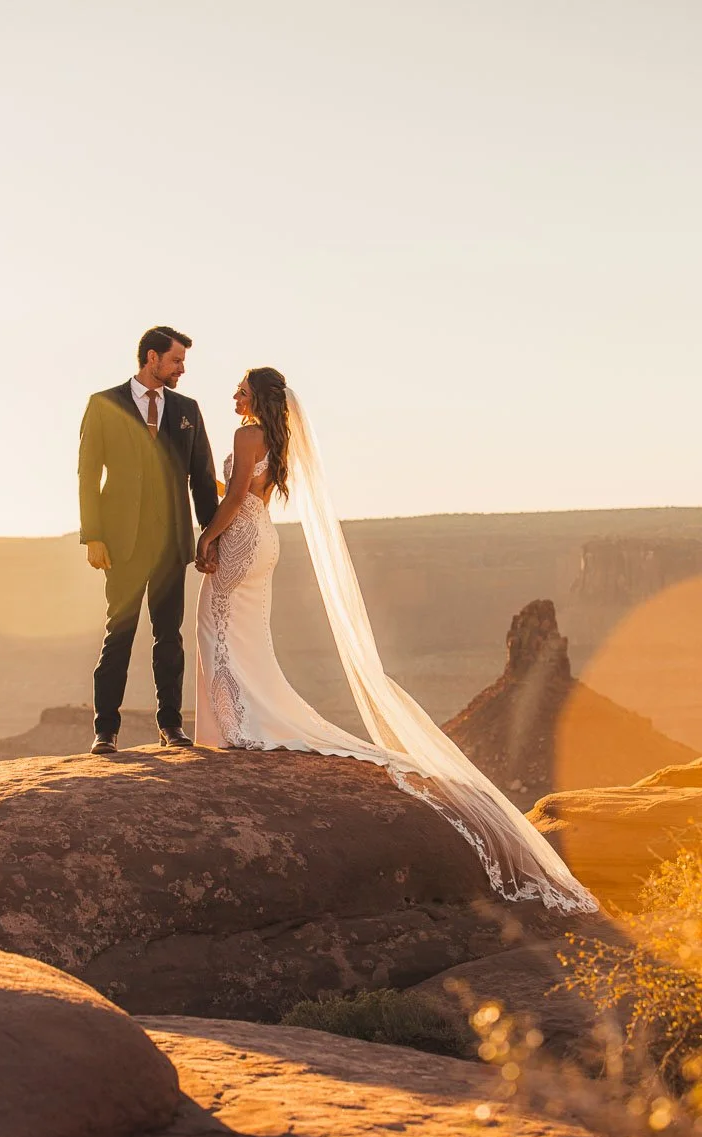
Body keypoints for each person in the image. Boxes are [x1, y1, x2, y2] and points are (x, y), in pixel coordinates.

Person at [194, 368, 597, 915]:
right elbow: (251, 491)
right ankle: (243, 721)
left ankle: (235, 726)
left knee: (216, 629)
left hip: (241, 535)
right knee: (244, 635)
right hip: (264, 541)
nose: (233, 396)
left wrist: (208, 533)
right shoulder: (275, 437)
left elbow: (239, 493)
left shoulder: (247, 434)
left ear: (258, 396)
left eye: (240, 388)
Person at [79, 326, 218, 754]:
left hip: (170, 543)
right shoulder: (103, 404)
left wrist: (209, 534)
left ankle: (171, 727)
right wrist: (93, 536)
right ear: (152, 357)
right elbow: (88, 472)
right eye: (177, 360)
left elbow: (202, 480)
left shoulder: (187, 409)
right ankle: (106, 732)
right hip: (121, 544)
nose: (182, 369)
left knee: (169, 637)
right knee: (118, 634)